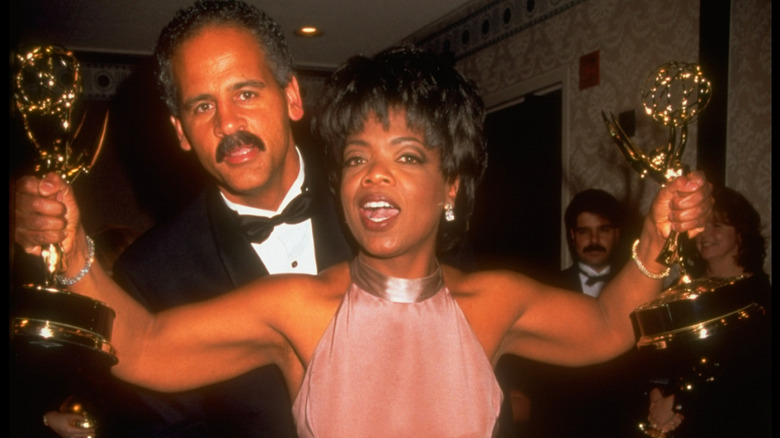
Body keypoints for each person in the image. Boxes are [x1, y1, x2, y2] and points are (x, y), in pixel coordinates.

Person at [14, 46, 712, 438]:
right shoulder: (302, 308)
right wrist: (74, 253)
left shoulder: (491, 302)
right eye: (354, 157)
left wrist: (655, 237)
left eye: (408, 156)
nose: (373, 175)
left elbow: (605, 326)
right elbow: (141, 345)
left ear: (451, 188)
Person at [20, 1, 353, 436]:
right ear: (180, 131)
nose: (228, 122)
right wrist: (68, 247)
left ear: (291, 96)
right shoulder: (149, 276)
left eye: (245, 93)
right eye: (202, 106)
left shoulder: (379, 208)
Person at [495, 189, 647, 437]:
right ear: (572, 236)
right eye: (585, 231)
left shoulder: (638, 291)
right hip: (559, 421)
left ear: (617, 234)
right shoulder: (546, 288)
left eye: (604, 230)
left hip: (624, 420)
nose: (594, 239)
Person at [642, 185, 771, 437]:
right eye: (701, 226)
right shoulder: (679, 291)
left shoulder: (759, 296)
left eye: (717, 226)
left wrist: (679, 401)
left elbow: (747, 373)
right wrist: (656, 398)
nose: (704, 234)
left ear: (741, 235)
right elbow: (650, 356)